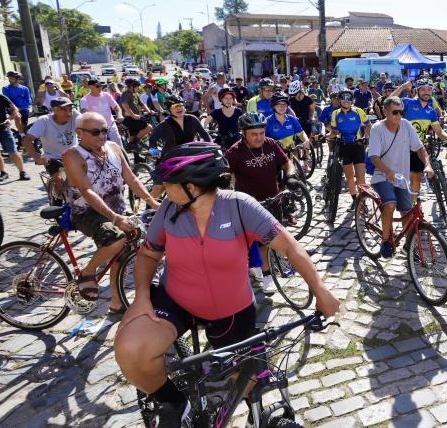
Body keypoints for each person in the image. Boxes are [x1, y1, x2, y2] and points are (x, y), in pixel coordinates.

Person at [114, 142, 339, 426]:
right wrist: (142, 297)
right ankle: (174, 402)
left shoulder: (239, 206)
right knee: (131, 349)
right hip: (176, 300)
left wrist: (321, 290)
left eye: (169, 183)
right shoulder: (169, 208)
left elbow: (291, 248)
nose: (163, 189)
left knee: (248, 379)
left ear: (191, 187)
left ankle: (252, 418)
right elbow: (148, 254)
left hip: (231, 308)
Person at [63, 111, 159, 313]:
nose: (102, 135)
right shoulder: (72, 155)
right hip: (87, 212)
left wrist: (152, 202)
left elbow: (131, 178)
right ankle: (88, 272)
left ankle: (116, 303)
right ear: (79, 132)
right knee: (116, 239)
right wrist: (115, 218)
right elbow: (86, 190)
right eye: (95, 132)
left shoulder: (114, 147)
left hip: (117, 209)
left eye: (104, 130)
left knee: (121, 256)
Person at [225, 112, 296, 295]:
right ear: (243, 134)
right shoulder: (235, 152)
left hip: (273, 201)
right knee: (263, 242)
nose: (259, 138)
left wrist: (290, 176)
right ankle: (266, 274)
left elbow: (287, 162)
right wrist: (228, 191)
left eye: (261, 133)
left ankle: (261, 264)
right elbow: (226, 176)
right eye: (254, 134)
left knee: (275, 236)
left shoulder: (270, 144)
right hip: (250, 205)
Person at [367, 96, 432, 258]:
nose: (399, 116)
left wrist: (428, 165)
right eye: (395, 112)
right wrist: (387, 171)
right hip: (382, 175)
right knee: (390, 204)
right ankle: (385, 241)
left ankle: (408, 246)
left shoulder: (406, 125)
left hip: (401, 178)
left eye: (401, 112)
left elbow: (420, 148)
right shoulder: (377, 129)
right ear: (385, 112)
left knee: (407, 211)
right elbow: (373, 156)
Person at [391, 79, 447, 193]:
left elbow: (439, 132)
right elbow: (388, 101)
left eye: (429, 89)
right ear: (417, 91)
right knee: (400, 184)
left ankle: (413, 202)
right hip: (401, 148)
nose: (426, 92)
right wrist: (402, 87)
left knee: (415, 183)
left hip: (417, 149)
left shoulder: (431, 111)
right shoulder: (407, 103)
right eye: (423, 89)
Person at [23, 97, 79, 196]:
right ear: (54, 110)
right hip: (53, 157)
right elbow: (26, 140)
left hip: (73, 155)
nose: (69, 113)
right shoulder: (44, 121)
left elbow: (88, 128)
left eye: (70, 109)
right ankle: (58, 201)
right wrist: (37, 158)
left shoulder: (75, 115)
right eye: (64, 109)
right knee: (59, 180)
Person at [329, 90, 369, 200]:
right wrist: (324, 136)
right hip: (344, 147)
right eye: (343, 98)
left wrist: (366, 138)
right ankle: (355, 200)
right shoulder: (335, 114)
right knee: (349, 177)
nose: (346, 100)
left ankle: (362, 202)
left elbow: (369, 125)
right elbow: (334, 132)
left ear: (352, 100)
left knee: (360, 177)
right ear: (339, 100)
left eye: (349, 98)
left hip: (358, 146)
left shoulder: (358, 111)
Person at [79, 79, 124, 146]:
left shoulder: (106, 95)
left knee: (119, 148)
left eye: (101, 85)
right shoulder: (84, 99)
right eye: (97, 86)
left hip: (111, 127)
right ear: (90, 87)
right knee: (99, 149)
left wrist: (119, 115)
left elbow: (116, 107)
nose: (100, 87)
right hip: (97, 131)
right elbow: (85, 113)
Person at [120, 78, 153, 155]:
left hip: (135, 118)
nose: (138, 88)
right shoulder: (126, 94)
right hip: (128, 118)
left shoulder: (135, 94)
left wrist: (149, 111)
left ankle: (136, 156)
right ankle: (132, 144)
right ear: (131, 87)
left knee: (133, 135)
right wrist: (133, 115)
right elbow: (124, 105)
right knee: (149, 127)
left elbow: (142, 104)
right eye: (137, 86)